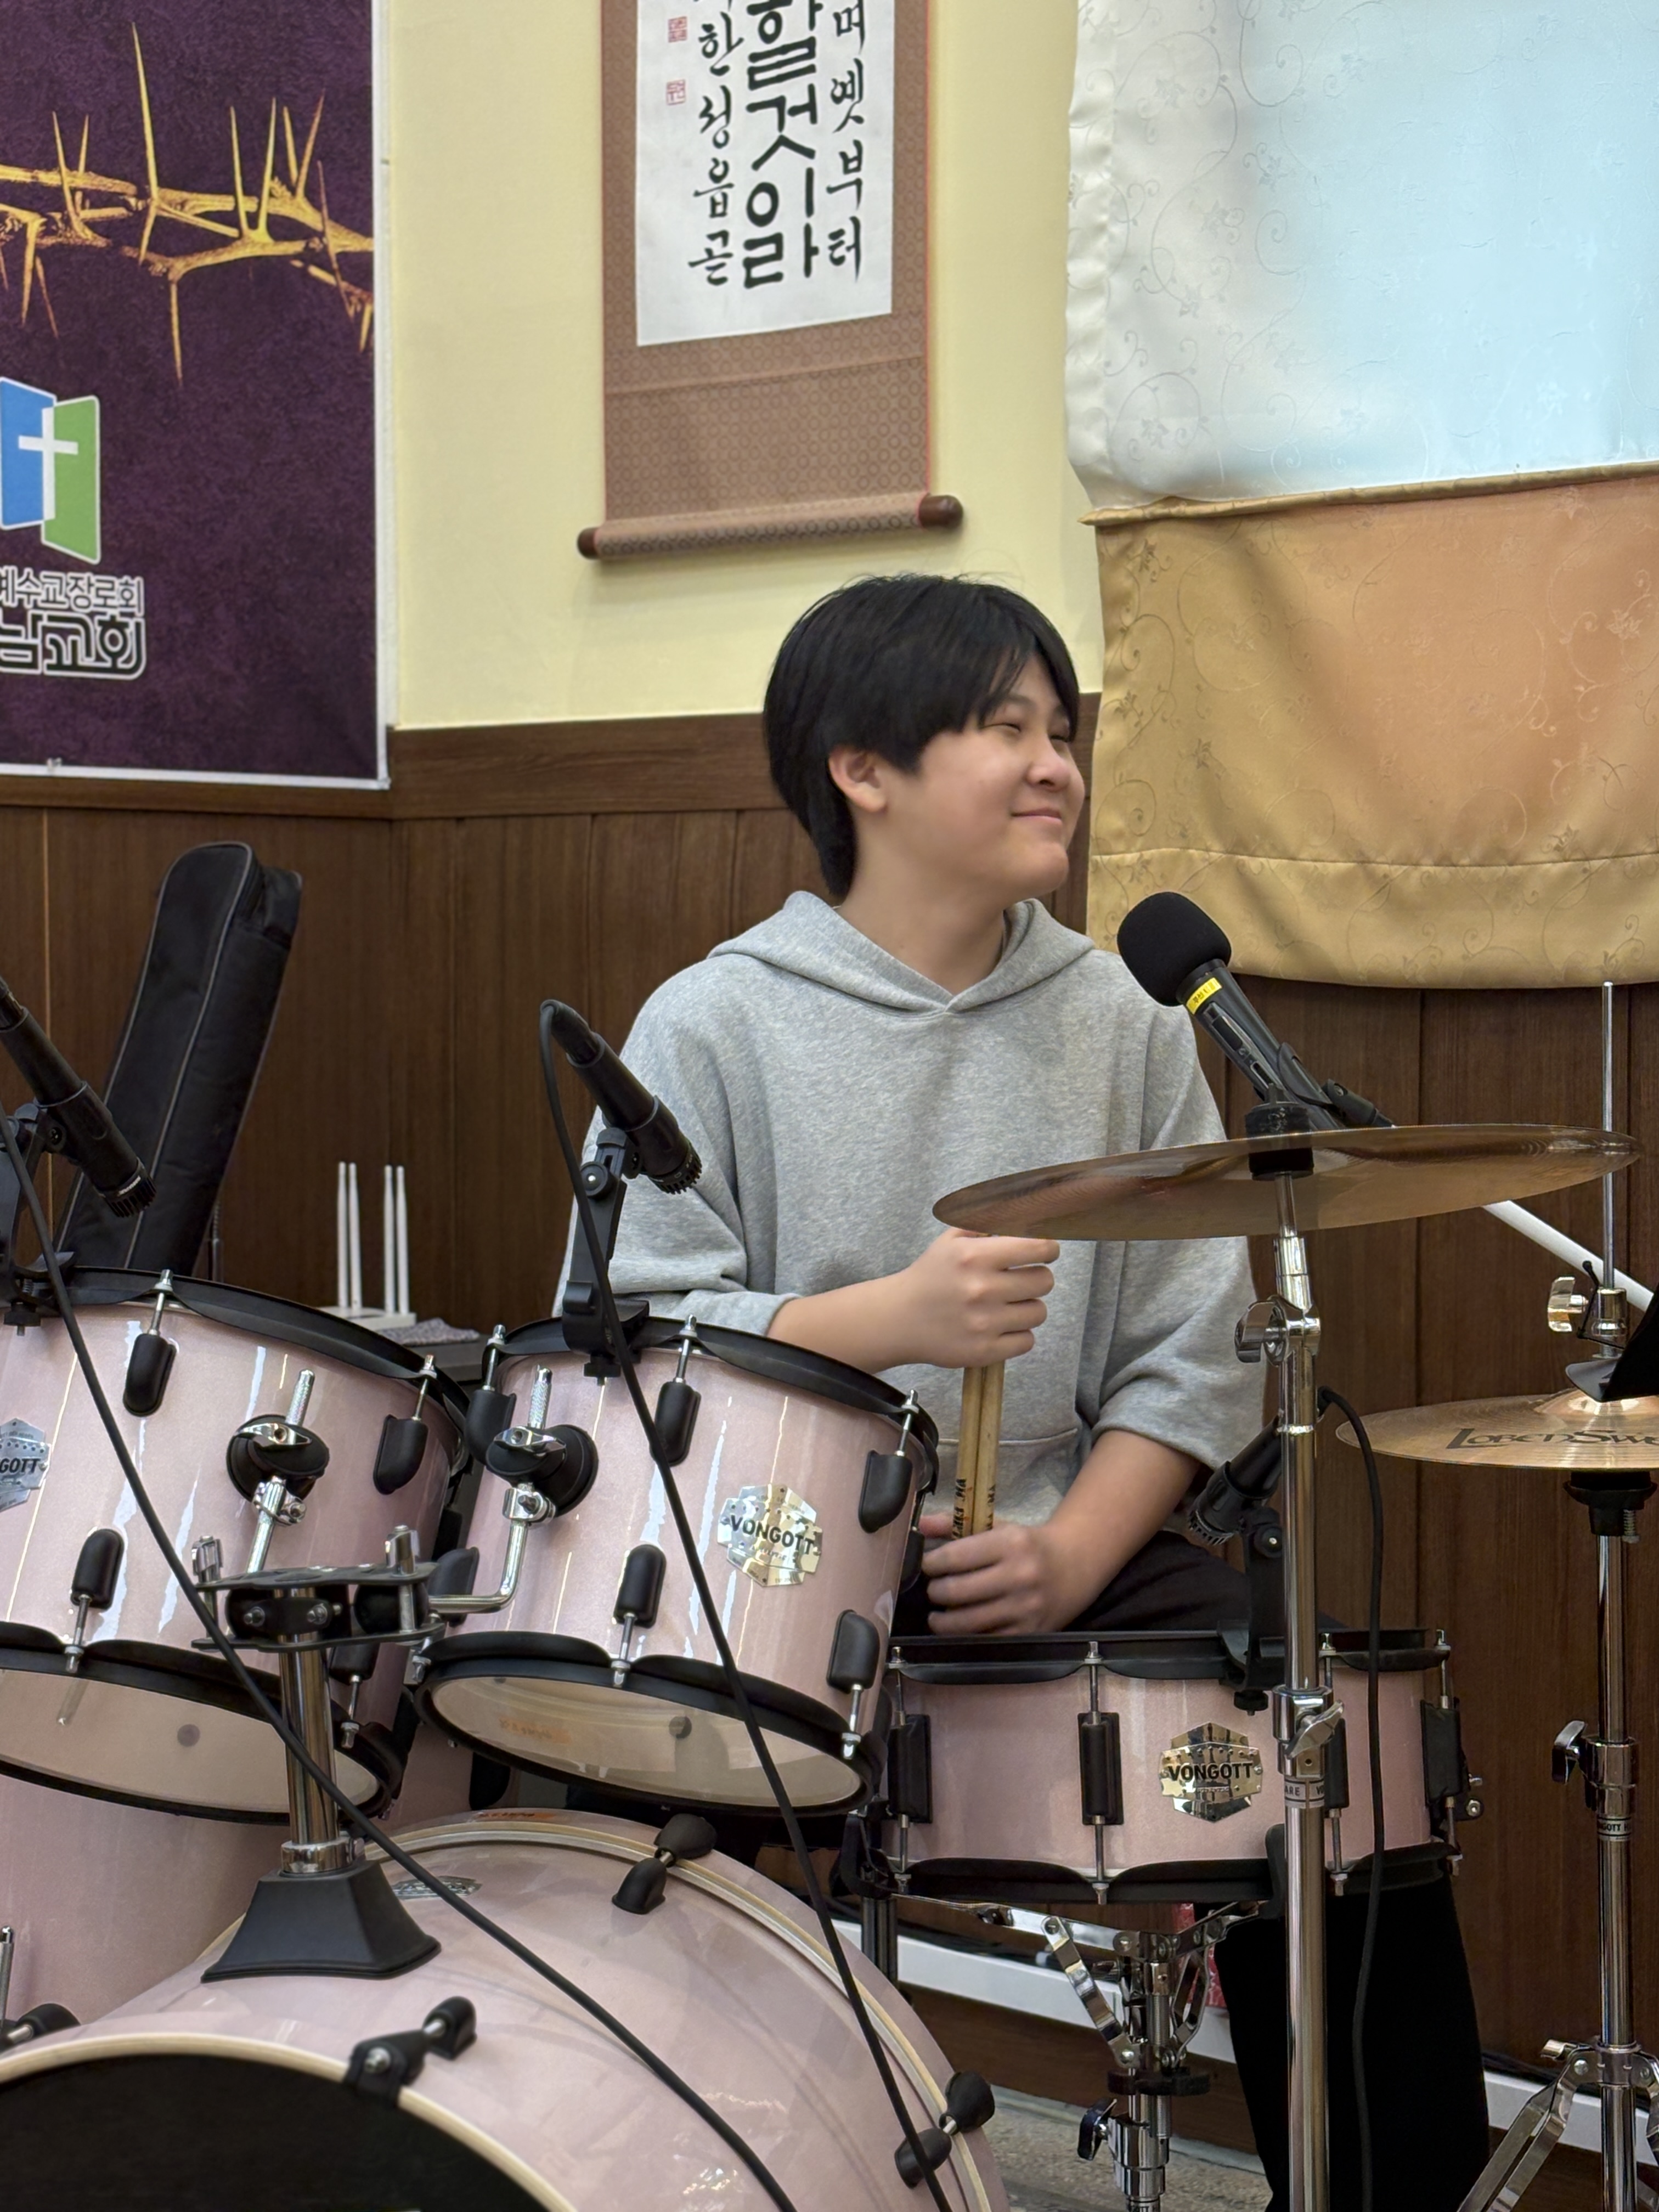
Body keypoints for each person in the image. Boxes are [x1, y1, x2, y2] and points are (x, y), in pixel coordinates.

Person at [579, 574, 1488, 2209]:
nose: (1055, 765)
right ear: (862, 768)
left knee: (1325, 1731)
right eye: (1005, 728)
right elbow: (632, 1329)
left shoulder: (1123, 1020)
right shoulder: (713, 1021)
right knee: (622, 1787)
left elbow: (1190, 1349)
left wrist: (1072, 1554)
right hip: (785, 1548)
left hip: (1072, 1527)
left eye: (1063, 731)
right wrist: (892, 1316)